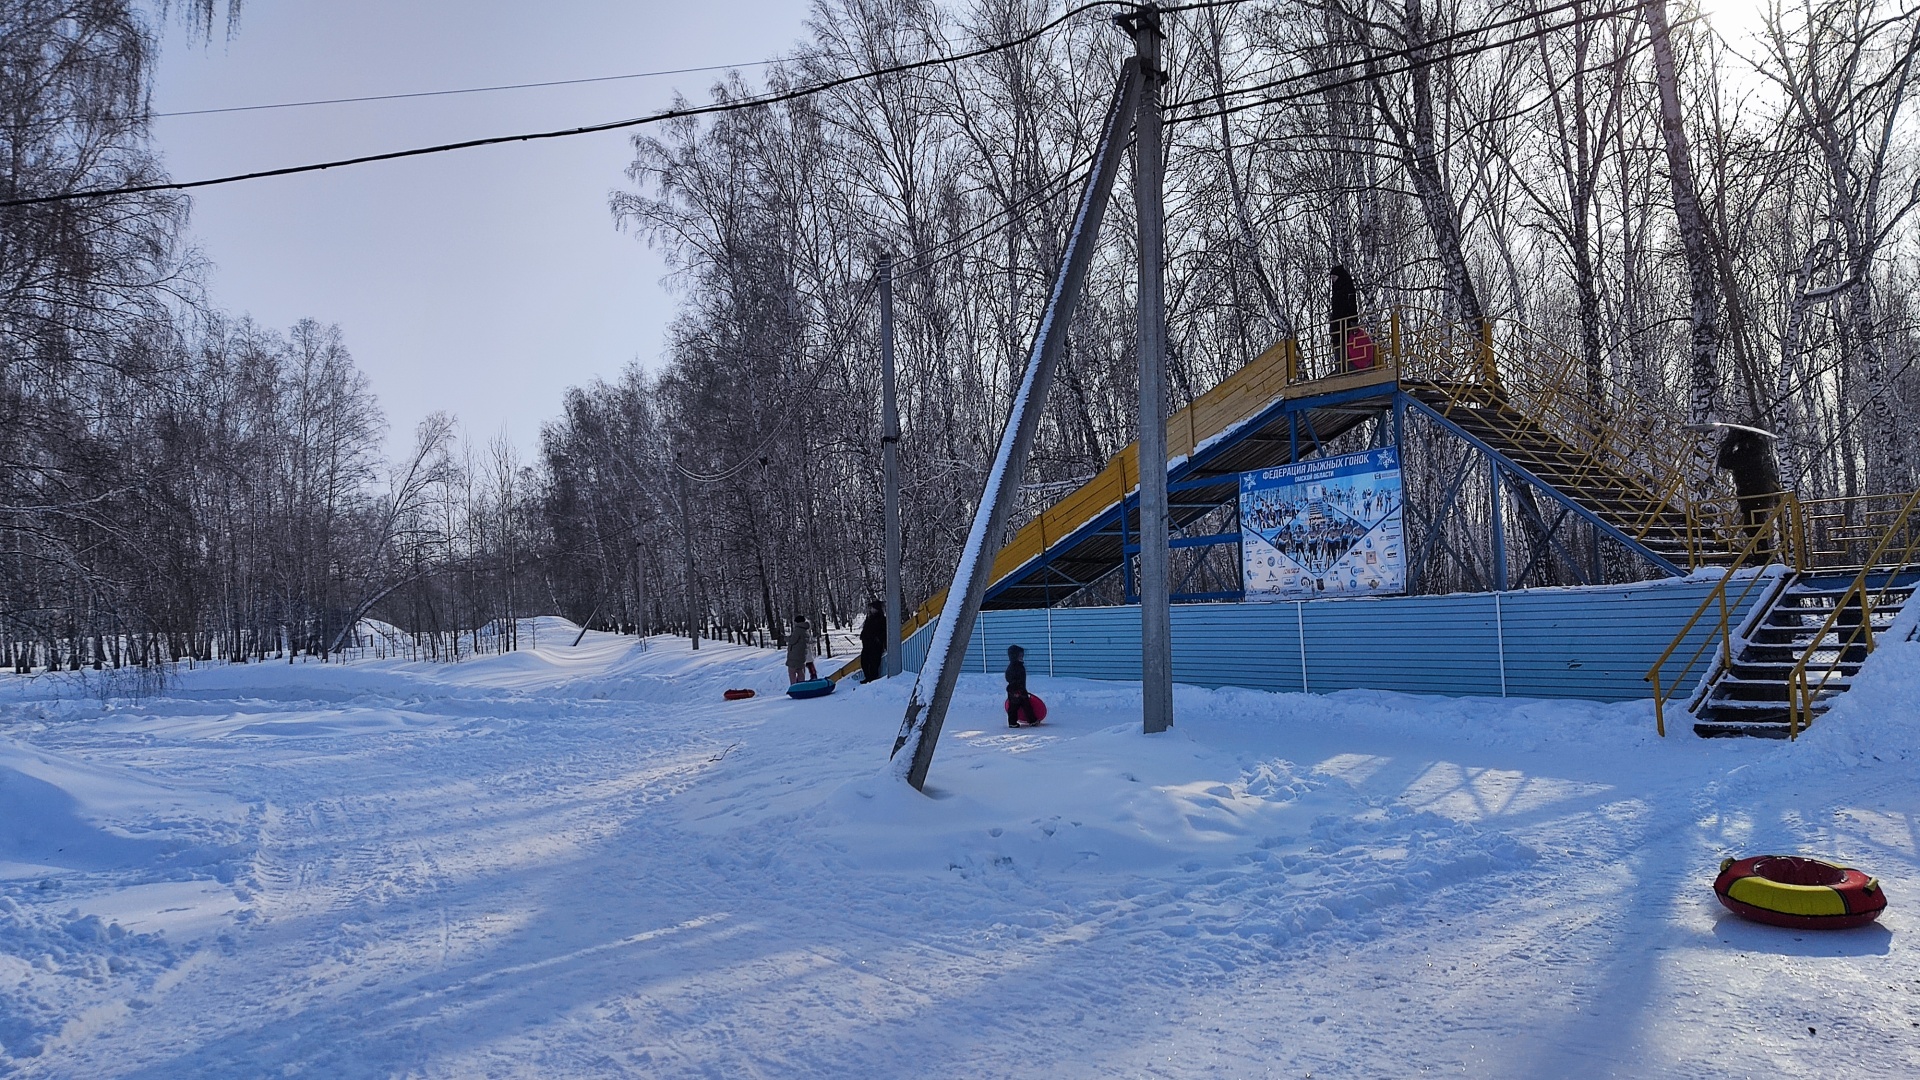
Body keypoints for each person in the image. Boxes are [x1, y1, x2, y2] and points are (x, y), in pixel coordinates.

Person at [1716, 426, 1783, 554]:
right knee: (1755, 524)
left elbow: (1725, 462)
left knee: (1753, 525)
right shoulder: (1757, 449)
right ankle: (1761, 553)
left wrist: (1729, 443)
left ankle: (1761, 555)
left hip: (1751, 494)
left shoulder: (1747, 453)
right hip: (1758, 492)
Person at [1329, 264, 1360, 369]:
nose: (1333, 280)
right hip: (1337, 323)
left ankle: (1347, 366)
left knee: (1347, 343)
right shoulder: (1336, 289)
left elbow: (1352, 305)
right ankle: (1340, 366)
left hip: (1345, 322)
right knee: (1338, 344)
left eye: (1334, 278)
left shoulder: (1347, 287)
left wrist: (1354, 321)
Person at [1005, 644, 1039, 727]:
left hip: (1021, 689)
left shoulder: (1019, 666)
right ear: (1014, 656)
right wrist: (1015, 691)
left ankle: (1032, 720)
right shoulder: (1013, 667)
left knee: (1027, 706)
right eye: (1019, 655)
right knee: (1013, 707)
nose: (1022, 657)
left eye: (1022, 655)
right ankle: (1012, 723)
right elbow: (1010, 679)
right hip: (1014, 691)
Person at [858, 599, 886, 683]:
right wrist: (862, 636)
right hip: (867, 644)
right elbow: (866, 629)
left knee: (874, 662)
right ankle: (867, 677)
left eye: (873, 608)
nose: (871, 610)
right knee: (864, 661)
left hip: (875, 645)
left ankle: (873, 677)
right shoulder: (869, 618)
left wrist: (879, 640)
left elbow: (883, 632)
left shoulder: (881, 619)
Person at [786, 615, 818, 684]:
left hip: (795, 655)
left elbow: (792, 640)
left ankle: (794, 687)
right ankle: (802, 685)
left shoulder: (798, 630)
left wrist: (784, 638)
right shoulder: (806, 630)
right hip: (803, 654)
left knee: (792, 672)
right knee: (801, 670)